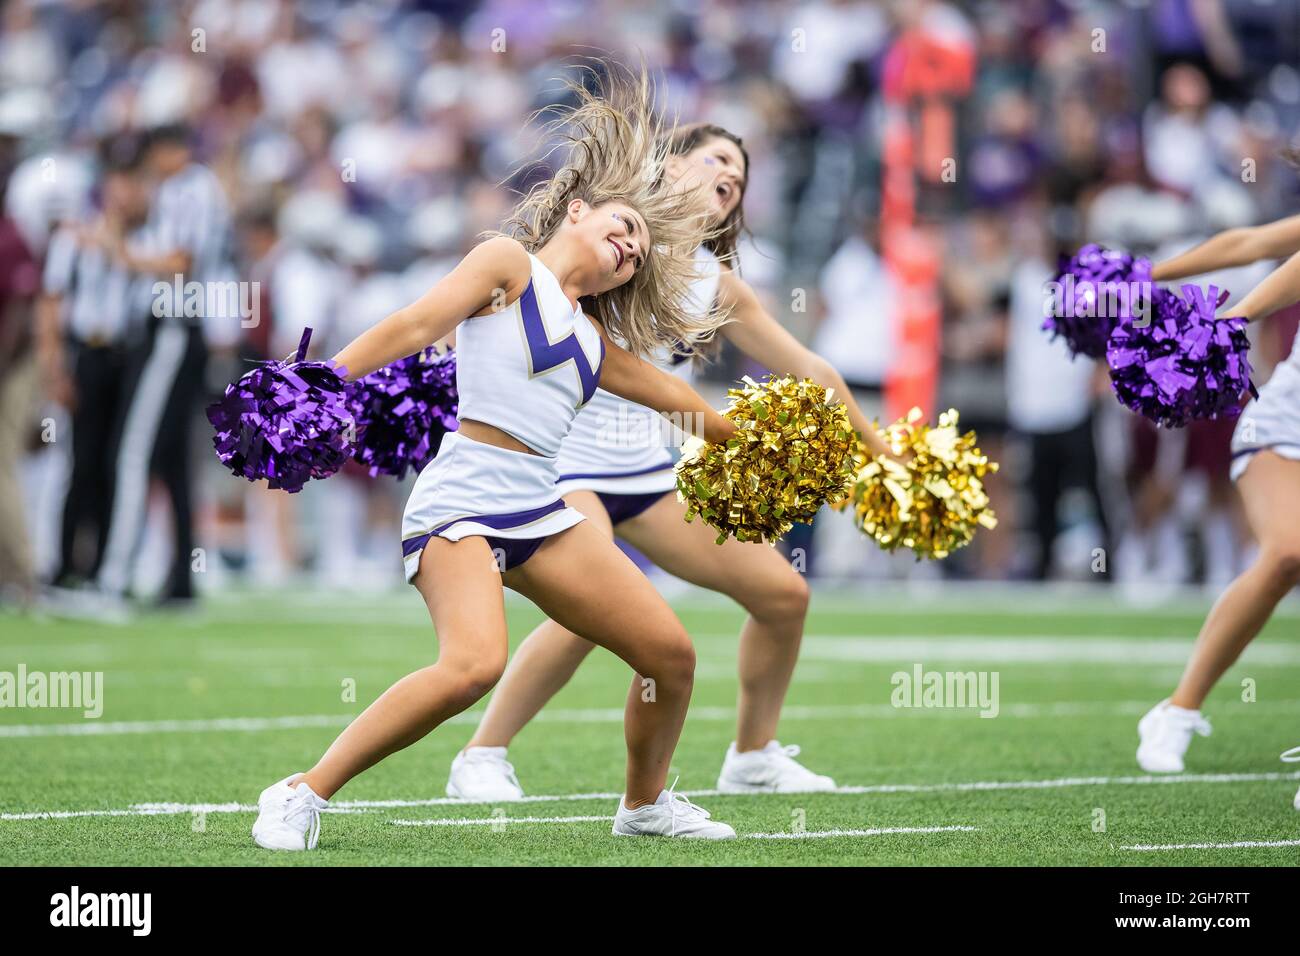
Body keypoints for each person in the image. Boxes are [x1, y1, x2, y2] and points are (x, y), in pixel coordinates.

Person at [251, 69, 745, 850]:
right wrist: (320, 381)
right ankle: (301, 791)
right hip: (464, 498)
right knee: (473, 665)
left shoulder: (594, 341)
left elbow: (684, 406)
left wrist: (770, 445)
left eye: (639, 251)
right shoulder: (509, 265)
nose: (629, 247)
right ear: (577, 208)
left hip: (541, 509)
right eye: (623, 226)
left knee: (669, 653)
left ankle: (644, 806)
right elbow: (415, 323)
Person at [446, 122, 893, 802]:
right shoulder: (615, 234)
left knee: (783, 596)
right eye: (717, 160)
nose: (729, 179)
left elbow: (807, 367)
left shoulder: (717, 283)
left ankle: (752, 753)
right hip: (565, 460)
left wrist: (877, 447)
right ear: (670, 164)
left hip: (649, 473)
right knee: (587, 612)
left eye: (739, 179)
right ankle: (481, 755)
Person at [1134, 209, 1300, 810]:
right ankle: (1177, 711)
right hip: (1286, 426)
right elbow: (1250, 242)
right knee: (1286, 554)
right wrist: (1147, 276)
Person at [96, 124, 230, 603]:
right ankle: (179, 581)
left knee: (133, 452)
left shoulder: (187, 187)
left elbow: (180, 262)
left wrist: (121, 254)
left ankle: (113, 578)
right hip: (179, 329)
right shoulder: (192, 188)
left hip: (173, 327)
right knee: (172, 463)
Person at [37, 137, 150, 589]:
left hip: (125, 356)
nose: (124, 191)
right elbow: (52, 302)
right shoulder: (75, 237)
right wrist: (54, 367)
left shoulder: (142, 239)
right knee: (78, 462)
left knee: (113, 462)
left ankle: (101, 564)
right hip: (88, 351)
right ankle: (64, 564)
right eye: (118, 180)